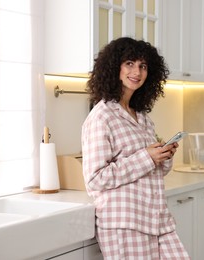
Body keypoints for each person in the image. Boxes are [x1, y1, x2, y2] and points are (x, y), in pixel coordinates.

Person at [81, 37, 190, 259]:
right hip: (125, 223)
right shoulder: (102, 117)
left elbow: (153, 170)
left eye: (143, 66)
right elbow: (95, 179)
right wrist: (146, 157)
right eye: (129, 63)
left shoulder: (142, 117)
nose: (137, 72)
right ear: (115, 68)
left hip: (156, 219)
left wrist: (163, 155)